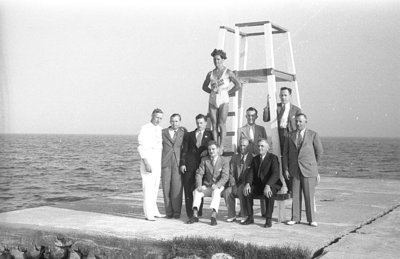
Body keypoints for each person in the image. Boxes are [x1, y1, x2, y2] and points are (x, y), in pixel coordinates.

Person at [283, 113, 323, 227]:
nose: (298, 123)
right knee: (295, 195)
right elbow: (285, 154)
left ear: (306, 122)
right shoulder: (289, 135)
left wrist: (314, 166)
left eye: (300, 121)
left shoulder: (313, 135)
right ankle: (295, 218)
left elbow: (319, 152)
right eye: (296, 121)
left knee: (309, 195)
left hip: (309, 170)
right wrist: (286, 169)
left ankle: (311, 219)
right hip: (294, 170)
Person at [263, 87, 301, 192]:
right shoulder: (277, 107)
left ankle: (293, 188)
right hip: (278, 136)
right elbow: (266, 118)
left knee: (289, 163)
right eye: (281, 95)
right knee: (278, 161)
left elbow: (299, 125)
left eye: (285, 95)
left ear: (290, 96)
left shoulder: (296, 110)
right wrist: (268, 105)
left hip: (290, 138)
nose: (283, 97)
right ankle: (281, 185)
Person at [202, 49, 241, 148]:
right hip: (213, 98)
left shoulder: (228, 72)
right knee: (214, 124)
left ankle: (222, 145)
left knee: (221, 123)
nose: (216, 61)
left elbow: (238, 85)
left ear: (223, 59)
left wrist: (228, 93)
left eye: (218, 59)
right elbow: (204, 86)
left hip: (224, 97)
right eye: (215, 59)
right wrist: (211, 92)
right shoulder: (210, 73)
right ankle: (216, 145)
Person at [241, 139, 282, 228]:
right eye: (259, 146)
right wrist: (248, 183)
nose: (260, 148)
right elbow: (250, 173)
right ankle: (250, 217)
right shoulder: (255, 159)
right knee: (248, 191)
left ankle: (268, 219)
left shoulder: (273, 158)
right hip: (259, 185)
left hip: (272, 184)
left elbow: (276, 174)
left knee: (269, 193)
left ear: (267, 148)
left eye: (262, 146)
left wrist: (268, 185)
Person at [187, 141, 229, 226]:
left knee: (216, 192)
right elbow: (199, 173)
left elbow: (225, 176)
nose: (211, 151)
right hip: (208, 185)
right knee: (196, 192)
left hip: (219, 186)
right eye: (209, 149)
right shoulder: (204, 160)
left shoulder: (224, 160)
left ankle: (213, 216)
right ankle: (195, 215)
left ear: (217, 149)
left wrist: (217, 185)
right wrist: (199, 185)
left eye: (213, 149)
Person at [180, 114, 213, 218]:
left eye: (201, 123)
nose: (199, 125)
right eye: (197, 123)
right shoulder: (189, 135)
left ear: (205, 123)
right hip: (189, 165)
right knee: (188, 189)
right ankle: (190, 214)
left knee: (200, 188)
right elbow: (184, 150)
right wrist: (182, 163)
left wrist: (206, 151)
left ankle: (198, 212)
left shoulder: (210, 134)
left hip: (203, 166)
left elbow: (214, 147)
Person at [137, 108, 165, 221]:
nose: (158, 120)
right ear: (152, 115)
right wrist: (146, 162)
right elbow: (141, 146)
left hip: (157, 160)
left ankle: (154, 211)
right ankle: (148, 214)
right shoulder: (145, 128)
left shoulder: (160, 129)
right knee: (148, 187)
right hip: (148, 160)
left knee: (155, 187)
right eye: (157, 117)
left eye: (160, 118)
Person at [161, 113, 186, 219]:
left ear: (179, 122)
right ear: (169, 121)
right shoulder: (163, 132)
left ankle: (176, 212)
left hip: (178, 163)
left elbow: (185, 148)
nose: (174, 123)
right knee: (166, 188)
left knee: (177, 188)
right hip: (166, 162)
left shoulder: (183, 132)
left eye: (176, 121)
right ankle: (168, 212)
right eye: (172, 121)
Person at [223, 138, 253, 223]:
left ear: (249, 146)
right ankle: (231, 215)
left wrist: (244, 184)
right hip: (236, 183)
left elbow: (251, 174)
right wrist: (233, 184)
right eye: (241, 145)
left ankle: (244, 214)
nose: (242, 147)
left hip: (246, 183)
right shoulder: (235, 158)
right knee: (227, 192)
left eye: (244, 145)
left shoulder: (252, 158)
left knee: (241, 191)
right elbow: (231, 173)